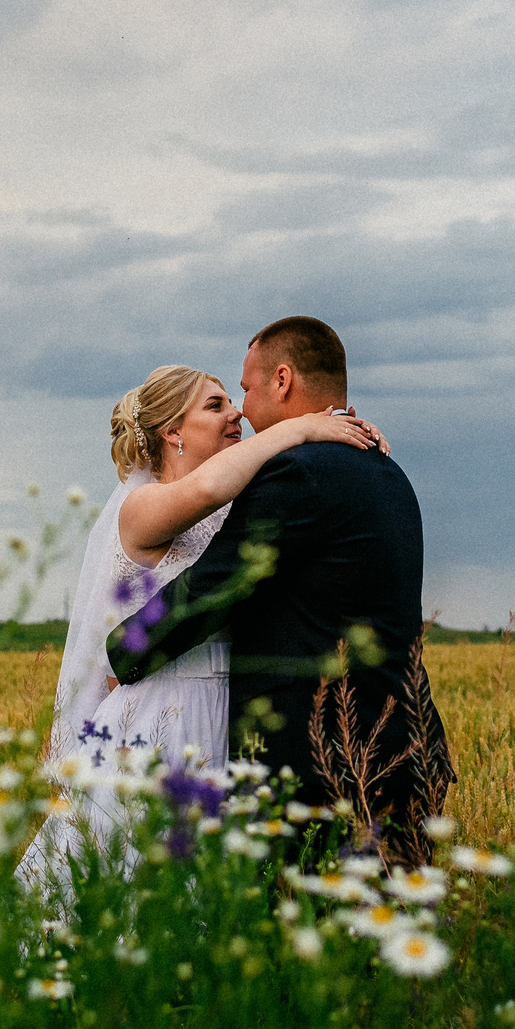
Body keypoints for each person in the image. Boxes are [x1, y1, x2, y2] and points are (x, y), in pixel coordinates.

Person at [13, 361, 386, 902]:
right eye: (214, 405)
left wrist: (341, 438)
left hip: (223, 716)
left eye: (230, 401)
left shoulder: (229, 508)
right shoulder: (140, 507)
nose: (235, 412)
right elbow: (211, 486)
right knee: (137, 884)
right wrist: (301, 427)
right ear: (171, 433)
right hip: (159, 720)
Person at [105, 316, 451, 867]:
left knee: (311, 937)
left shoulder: (299, 471)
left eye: (244, 388)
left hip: (322, 763)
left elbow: (215, 589)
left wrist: (124, 650)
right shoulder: (385, 466)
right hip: (404, 745)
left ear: (283, 380)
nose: (241, 407)